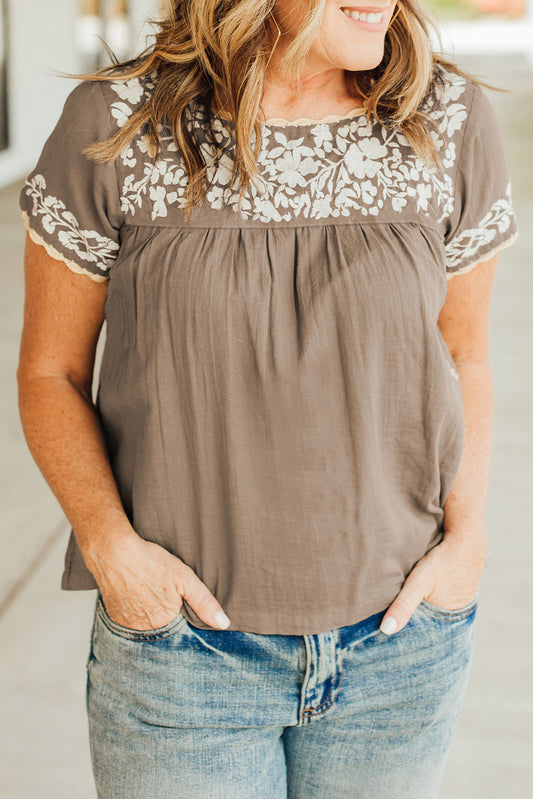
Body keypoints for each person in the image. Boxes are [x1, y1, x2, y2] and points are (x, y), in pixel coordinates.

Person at [17, 0, 518, 797]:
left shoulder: (446, 120)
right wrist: (111, 548)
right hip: (183, 662)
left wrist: (467, 544)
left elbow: (465, 353)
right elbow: (51, 372)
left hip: (399, 651)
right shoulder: (119, 124)